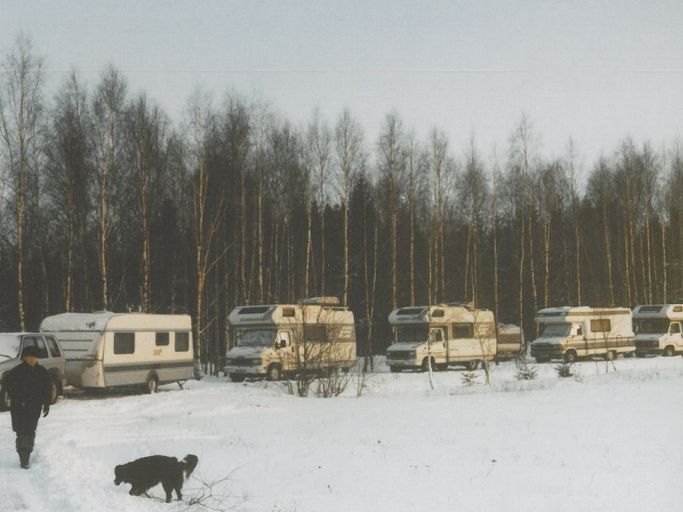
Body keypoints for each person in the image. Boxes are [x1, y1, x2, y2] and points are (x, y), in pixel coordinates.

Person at [4, 345, 51, 469]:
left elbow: (47, 388)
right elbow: (9, 387)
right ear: (24, 358)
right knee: (22, 432)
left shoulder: (42, 372)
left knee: (30, 431)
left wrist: (47, 403)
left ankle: (27, 453)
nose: (32, 360)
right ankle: (23, 459)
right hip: (19, 407)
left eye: (35, 358)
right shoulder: (16, 372)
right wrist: (19, 399)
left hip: (34, 407)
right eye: (30, 357)